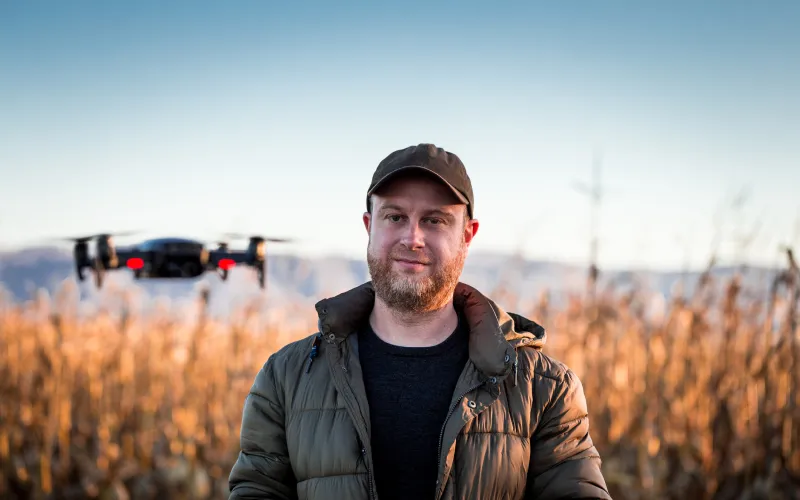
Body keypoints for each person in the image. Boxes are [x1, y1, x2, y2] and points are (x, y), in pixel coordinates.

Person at [227, 144, 611, 500]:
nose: (412, 238)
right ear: (369, 226)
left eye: (435, 220)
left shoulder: (542, 388)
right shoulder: (286, 379)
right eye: (395, 216)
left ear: (467, 235)